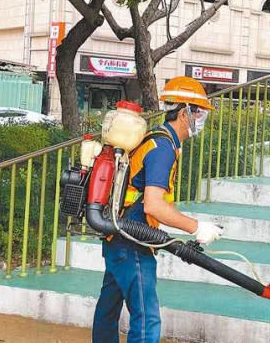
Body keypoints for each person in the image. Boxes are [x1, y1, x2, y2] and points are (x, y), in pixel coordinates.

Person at [92, 76, 224, 343]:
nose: (201, 119)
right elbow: (153, 204)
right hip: (131, 241)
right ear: (185, 112)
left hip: (118, 235)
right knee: (146, 319)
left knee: (108, 309)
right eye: (199, 113)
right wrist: (197, 227)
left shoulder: (157, 139)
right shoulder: (163, 147)